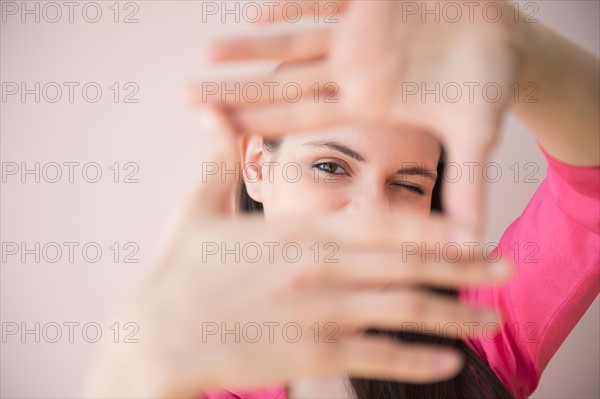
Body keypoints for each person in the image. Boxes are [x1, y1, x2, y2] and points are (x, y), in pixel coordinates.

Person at [85, 1, 599, 398]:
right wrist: (131, 372)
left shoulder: (478, 332)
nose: (371, 214)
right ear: (258, 166)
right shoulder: (184, 372)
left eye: (408, 184)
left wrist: (523, 46)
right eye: (330, 167)